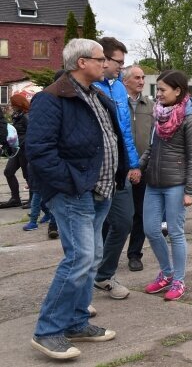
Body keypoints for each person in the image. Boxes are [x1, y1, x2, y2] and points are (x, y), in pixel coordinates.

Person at [27, 38, 125, 360]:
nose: (106, 64)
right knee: (79, 258)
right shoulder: (51, 98)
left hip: (101, 191)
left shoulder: (95, 95)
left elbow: (110, 138)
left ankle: (77, 322)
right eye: (101, 59)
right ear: (82, 62)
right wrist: (71, 184)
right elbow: (39, 152)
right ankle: (48, 331)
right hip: (74, 193)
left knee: (91, 258)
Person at [140, 70, 192, 301]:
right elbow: (151, 147)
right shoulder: (159, 115)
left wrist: (190, 190)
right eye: (158, 89)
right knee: (151, 230)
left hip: (176, 183)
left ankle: (179, 280)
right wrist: (139, 167)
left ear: (178, 91)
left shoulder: (190, 118)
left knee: (175, 233)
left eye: (163, 89)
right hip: (153, 182)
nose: (159, 94)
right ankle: (166, 273)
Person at [92, 37, 142, 301]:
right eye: (117, 63)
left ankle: (103, 275)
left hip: (119, 169)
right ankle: (81, 287)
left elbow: (125, 132)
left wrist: (132, 163)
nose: (120, 69)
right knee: (90, 229)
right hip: (94, 171)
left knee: (124, 221)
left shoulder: (120, 89)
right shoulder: (88, 86)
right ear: (103, 59)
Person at [124, 65, 154, 272]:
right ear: (125, 80)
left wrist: (142, 166)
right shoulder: (115, 103)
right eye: (137, 77)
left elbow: (154, 138)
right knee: (117, 217)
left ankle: (135, 254)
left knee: (141, 214)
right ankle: (107, 254)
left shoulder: (150, 106)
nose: (141, 81)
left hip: (143, 169)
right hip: (119, 169)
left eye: (143, 77)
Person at [0, 94, 30, 209]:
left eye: (12, 104)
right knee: (8, 171)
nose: (11, 106)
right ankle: (15, 198)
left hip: (24, 149)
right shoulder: (15, 115)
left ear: (18, 104)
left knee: (28, 174)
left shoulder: (26, 116)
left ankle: (33, 200)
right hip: (15, 149)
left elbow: (31, 133)